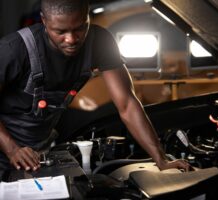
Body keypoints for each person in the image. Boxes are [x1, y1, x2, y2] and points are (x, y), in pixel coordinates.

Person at [0, 0, 190, 172]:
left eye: (80, 28)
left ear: (87, 16)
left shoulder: (100, 41)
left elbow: (127, 104)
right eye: (60, 32)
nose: (71, 39)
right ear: (43, 20)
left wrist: (161, 159)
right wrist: (12, 149)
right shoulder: (14, 49)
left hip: (39, 151)